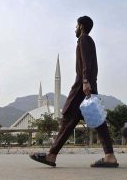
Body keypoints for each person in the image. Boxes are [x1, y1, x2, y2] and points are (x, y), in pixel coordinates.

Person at [29, 16, 119, 168]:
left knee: (67, 119)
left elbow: (86, 62)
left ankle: (51, 155)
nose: (75, 29)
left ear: (82, 26)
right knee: (96, 121)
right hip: (88, 85)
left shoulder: (84, 39)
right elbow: (90, 64)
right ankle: (109, 156)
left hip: (81, 87)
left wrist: (85, 81)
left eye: (76, 25)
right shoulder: (88, 41)